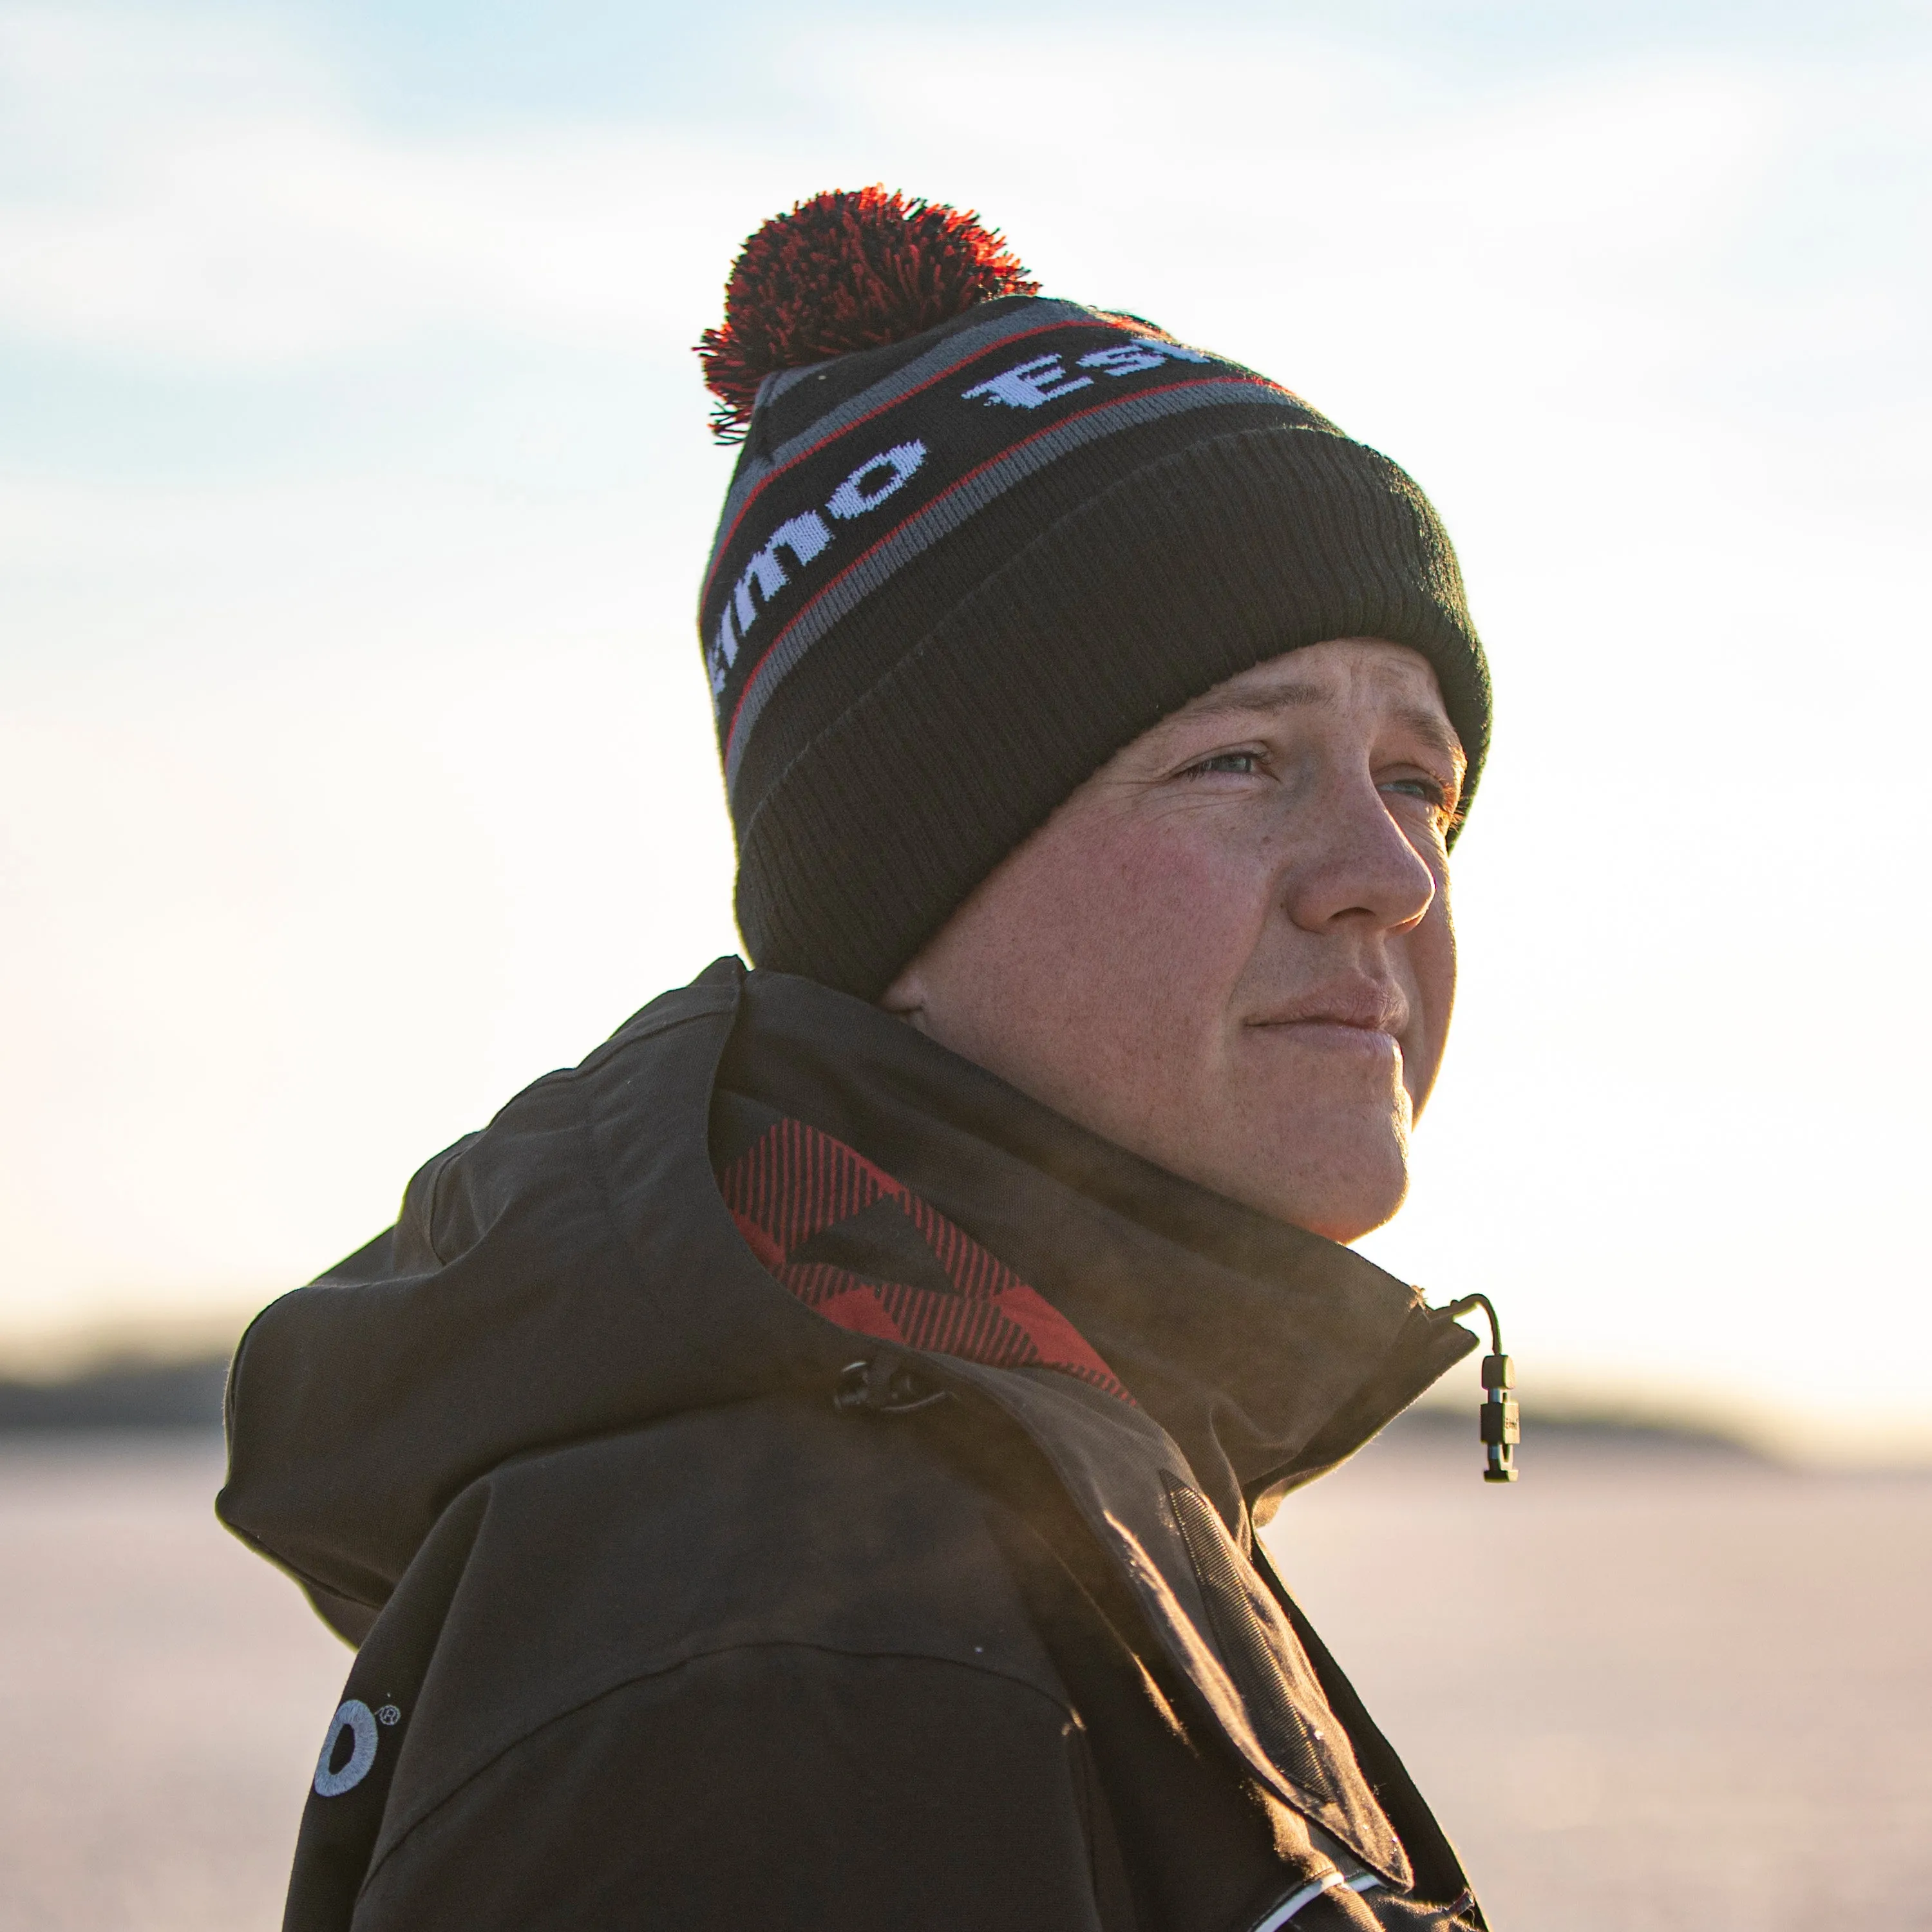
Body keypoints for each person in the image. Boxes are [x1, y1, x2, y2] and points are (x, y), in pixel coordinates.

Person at [220, 186, 1499, 1931]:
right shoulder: (794, 1639)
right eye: (1240, 761)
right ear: (908, 887)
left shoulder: (1036, 1500)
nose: (1392, 875)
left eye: (1420, 782)